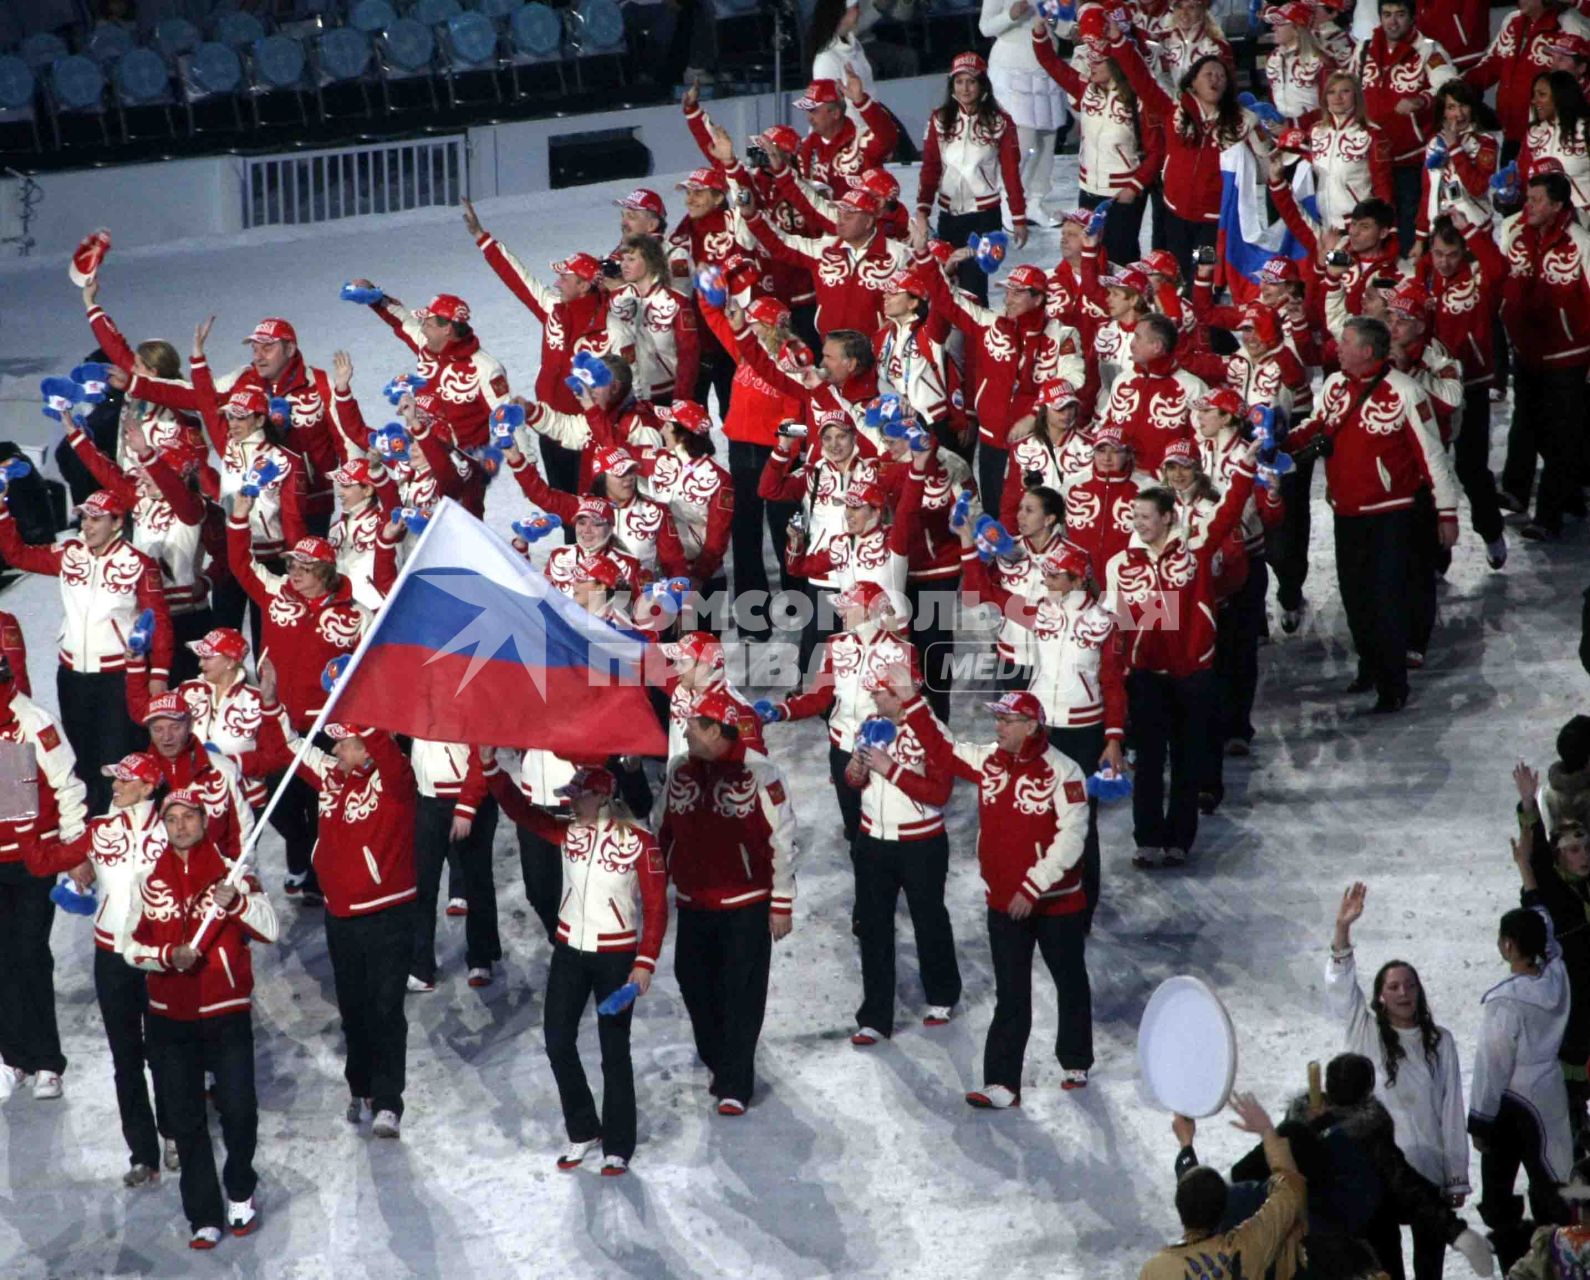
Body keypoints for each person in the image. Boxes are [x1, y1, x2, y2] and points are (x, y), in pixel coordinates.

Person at [895, 678, 1092, 1105]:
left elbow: (1072, 840)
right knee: (1010, 992)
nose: (998, 726)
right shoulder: (989, 761)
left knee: (1069, 980)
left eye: (1006, 719)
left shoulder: (1066, 772)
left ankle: (1076, 1059)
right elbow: (944, 750)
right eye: (997, 718)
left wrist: (1033, 886)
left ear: (1031, 725)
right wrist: (912, 702)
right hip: (1003, 903)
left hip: (1058, 904)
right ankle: (1002, 1082)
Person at [485, 758, 667, 1175]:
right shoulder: (568, 832)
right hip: (569, 952)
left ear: (603, 796)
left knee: (613, 1051)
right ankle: (584, 1128)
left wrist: (646, 962)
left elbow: (657, 908)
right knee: (556, 1040)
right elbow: (521, 811)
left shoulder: (640, 841)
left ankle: (619, 1144)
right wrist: (491, 768)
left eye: (576, 796)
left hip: (617, 958)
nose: (569, 804)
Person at [259, 661, 417, 1141]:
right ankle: (362, 1086)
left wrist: (361, 700)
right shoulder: (331, 776)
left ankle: (389, 1100)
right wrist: (269, 702)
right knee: (353, 1008)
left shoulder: (394, 779)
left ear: (367, 743)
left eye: (346, 741)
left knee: (387, 1007)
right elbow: (287, 748)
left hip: (389, 910)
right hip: (341, 914)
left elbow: (387, 754)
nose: (337, 748)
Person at [125, 789, 278, 1249]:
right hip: (170, 1018)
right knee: (185, 1118)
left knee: (238, 1109)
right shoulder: (149, 878)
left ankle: (240, 1190)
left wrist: (237, 904)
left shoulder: (235, 873)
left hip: (225, 1012)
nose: (179, 825)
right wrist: (169, 955)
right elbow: (130, 948)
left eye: (188, 816)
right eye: (171, 818)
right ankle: (204, 1214)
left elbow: (269, 928)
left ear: (204, 821)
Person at [1288, 317, 1460, 713]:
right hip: (1347, 513)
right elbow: (1316, 425)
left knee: (1385, 599)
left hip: (1393, 516)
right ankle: (1370, 664)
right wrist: (1280, 439)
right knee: (1355, 597)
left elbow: (1431, 454)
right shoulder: (1333, 386)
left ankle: (1392, 683)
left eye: (1346, 343)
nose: (1339, 349)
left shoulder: (1406, 391)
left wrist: (1446, 512)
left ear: (1367, 351)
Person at [1104, 443, 1259, 867]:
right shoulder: (1120, 563)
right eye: (1134, 517)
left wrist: (1246, 467)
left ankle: (1180, 839)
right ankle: (1148, 839)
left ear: (1169, 517)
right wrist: (1119, 670)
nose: (1138, 524)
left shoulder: (1196, 548)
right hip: (1147, 674)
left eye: (1146, 517)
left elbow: (1229, 511)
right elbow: (1117, 621)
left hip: (1194, 672)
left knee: (1188, 757)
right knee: (1150, 760)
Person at [30, 751, 172, 1184]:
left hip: (158, 957)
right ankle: (142, 1155)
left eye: (126, 780)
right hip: (111, 957)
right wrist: (26, 826)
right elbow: (41, 861)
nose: (115, 786)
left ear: (148, 787)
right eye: (115, 779)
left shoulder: (174, 828)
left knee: (167, 1056)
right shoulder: (98, 830)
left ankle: (176, 1137)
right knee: (125, 1057)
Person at [655, 689, 797, 1116]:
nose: (683, 732)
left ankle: (736, 1081)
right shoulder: (679, 768)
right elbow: (660, 827)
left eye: (692, 726)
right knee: (692, 981)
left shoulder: (761, 772)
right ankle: (721, 1059)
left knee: (741, 993)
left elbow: (783, 838)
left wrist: (782, 902)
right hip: (693, 901)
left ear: (715, 730)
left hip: (747, 903)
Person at [1327, 882, 1472, 1280]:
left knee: (1430, 1269)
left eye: (1410, 985)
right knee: (1384, 1269)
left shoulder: (1440, 1042)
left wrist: (1456, 1171)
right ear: (1379, 998)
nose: (1404, 992)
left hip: (1427, 1170)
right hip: (1377, 1173)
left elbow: (1451, 1109)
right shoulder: (1365, 1031)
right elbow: (1341, 987)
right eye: (1393, 987)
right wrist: (1343, 929)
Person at [227, 494, 367, 899]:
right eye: (292, 565)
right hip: (277, 720)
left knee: (322, 803)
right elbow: (241, 566)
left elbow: (370, 669)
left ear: (325, 573)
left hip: (325, 727)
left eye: (305, 569)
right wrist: (239, 518)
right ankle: (301, 854)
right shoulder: (275, 593)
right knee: (281, 803)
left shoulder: (356, 615)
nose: (295, 574)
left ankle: (317, 874)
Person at [0, 485, 172, 815]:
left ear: (117, 522)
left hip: (117, 679)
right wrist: (2, 511)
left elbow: (160, 623)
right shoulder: (70, 553)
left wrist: (159, 674)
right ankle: (93, 838)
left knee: (116, 759)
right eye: (84, 518)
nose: (87, 526)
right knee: (81, 759)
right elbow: (17, 555)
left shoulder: (140, 565)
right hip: (72, 676)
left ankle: (128, 835)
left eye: (96, 519)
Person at [463, 200, 620, 494]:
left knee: (592, 506)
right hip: (548, 425)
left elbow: (626, 383)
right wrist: (484, 240)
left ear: (585, 285)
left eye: (564, 277)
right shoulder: (554, 309)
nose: (557, 283)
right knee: (563, 505)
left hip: (589, 430)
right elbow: (519, 279)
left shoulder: (611, 327)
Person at [844, 667, 961, 1041]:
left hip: (921, 844)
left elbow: (940, 793)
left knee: (929, 921)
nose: (875, 699)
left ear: (904, 693)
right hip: (872, 840)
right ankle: (875, 1017)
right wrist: (856, 769)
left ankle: (942, 996)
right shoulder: (871, 723)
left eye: (882, 692)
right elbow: (854, 780)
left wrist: (890, 770)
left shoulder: (934, 732)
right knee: (873, 928)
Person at [1108, 31, 1272, 280]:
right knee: (1178, 277)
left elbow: (1266, 171)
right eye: (1209, 74)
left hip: (1215, 221)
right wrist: (1119, 42)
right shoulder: (1174, 112)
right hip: (1174, 215)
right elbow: (1141, 80)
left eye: (1221, 76)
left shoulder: (1244, 121)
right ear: (1193, 81)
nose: (1215, 80)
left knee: (1205, 282)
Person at [0, 655, 90, 1101]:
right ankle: (13, 1057)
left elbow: (69, 787)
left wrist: (74, 850)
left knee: (30, 956)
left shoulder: (32, 721)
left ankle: (47, 1062)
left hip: (31, 861)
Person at [1468, 890, 1573, 1271]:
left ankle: (1521, 1268)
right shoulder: (1557, 978)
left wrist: (1480, 1121)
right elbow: (1551, 937)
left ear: (1508, 945)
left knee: (1498, 1195)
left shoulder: (1505, 1001)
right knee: (1552, 1179)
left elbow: (1492, 1064)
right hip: (1549, 1091)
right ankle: (1560, 1263)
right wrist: (1531, 882)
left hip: (1511, 1102)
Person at [1030, 20, 1157, 269]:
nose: (1091, 65)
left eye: (1098, 61)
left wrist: (1135, 186)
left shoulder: (1139, 99)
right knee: (1090, 256)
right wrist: (1039, 31)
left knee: (1122, 259)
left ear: (1115, 63)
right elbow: (1051, 63)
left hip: (1122, 196)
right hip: (1088, 191)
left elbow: (1156, 151)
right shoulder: (1085, 89)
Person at [1144, 1093, 1306, 1280]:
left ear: (1179, 1208)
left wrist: (1185, 1144)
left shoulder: (1156, 1270)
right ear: (1225, 1208)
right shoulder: (1252, 1245)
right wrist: (1267, 1131)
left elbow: (1193, 1194)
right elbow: (1290, 1189)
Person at [915, 52, 1029, 305]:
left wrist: (1019, 216)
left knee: (975, 289)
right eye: (959, 81)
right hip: (949, 217)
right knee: (948, 284)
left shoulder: (1001, 122)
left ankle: (979, 342)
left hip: (984, 217)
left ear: (982, 84)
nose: (965, 88)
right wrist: (923, 210)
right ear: (951, 84)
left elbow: (1011, 173)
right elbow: (930, 168)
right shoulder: (939, 119)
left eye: (971, 81)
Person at [1515, 766, 1590, 1150]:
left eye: (1587, 846)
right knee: (1573, 1107)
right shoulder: (1555, 894)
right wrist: (1528, 803)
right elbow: (1538, 853)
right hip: (1571, 1012)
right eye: (1574, 849)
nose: (1584, 855)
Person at [1352, 0, 1458, 249]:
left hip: (1411, 161)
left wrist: (1422, 99)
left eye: (1400, 14)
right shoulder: (1365, 48)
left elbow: (1449, 84)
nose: (1393, 21)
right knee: (1374, 232)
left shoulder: (1428, 49)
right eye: (1387, 14)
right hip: (1370, 162)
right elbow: (1351, 89)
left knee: (1410, 231)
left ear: (1412, 17)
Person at [353, 284, 509, 451]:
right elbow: (403, 321)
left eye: (427, 324)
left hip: (463, 466)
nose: (422, 329)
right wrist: (376, 298)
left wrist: (525, 470)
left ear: (447, 329)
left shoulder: (487, 369)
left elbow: (508, 425)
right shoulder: (428, 346)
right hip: (420, 453)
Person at [407, 739, 498, 993]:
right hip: (425, 799)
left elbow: (484, 750)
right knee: (421, 884)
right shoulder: (415, 699)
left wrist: (467, 805)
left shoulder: (470, 698)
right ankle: (420, 966)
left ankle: (481, 958)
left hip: (469, 799)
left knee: (476, 882)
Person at [981, 0, 1067, 218]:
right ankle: (1008, 202)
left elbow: (1056, 23)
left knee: (1047, 139)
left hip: (1046, 65)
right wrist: (1011, 14)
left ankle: (1035, 202)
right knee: (1022, 140)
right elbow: (986, 27)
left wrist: (1050, 16)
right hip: (1013, 71)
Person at [606, 233, 701, 407]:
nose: (624, 265)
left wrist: (681, 399)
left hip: (667, 395)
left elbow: (689, 356)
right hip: (627, 398)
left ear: (650, 262)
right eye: (623, 259)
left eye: (631, 259)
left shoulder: (676, 302)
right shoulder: (616, 299)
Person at [1517, 72, 1590, 214]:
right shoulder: (1534, 133)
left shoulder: (1586, 129)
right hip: (1546, 220)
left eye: (1542, 95)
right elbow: (1524, 177)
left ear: (1560, 96)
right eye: (1534, 95)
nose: (1534, 101)